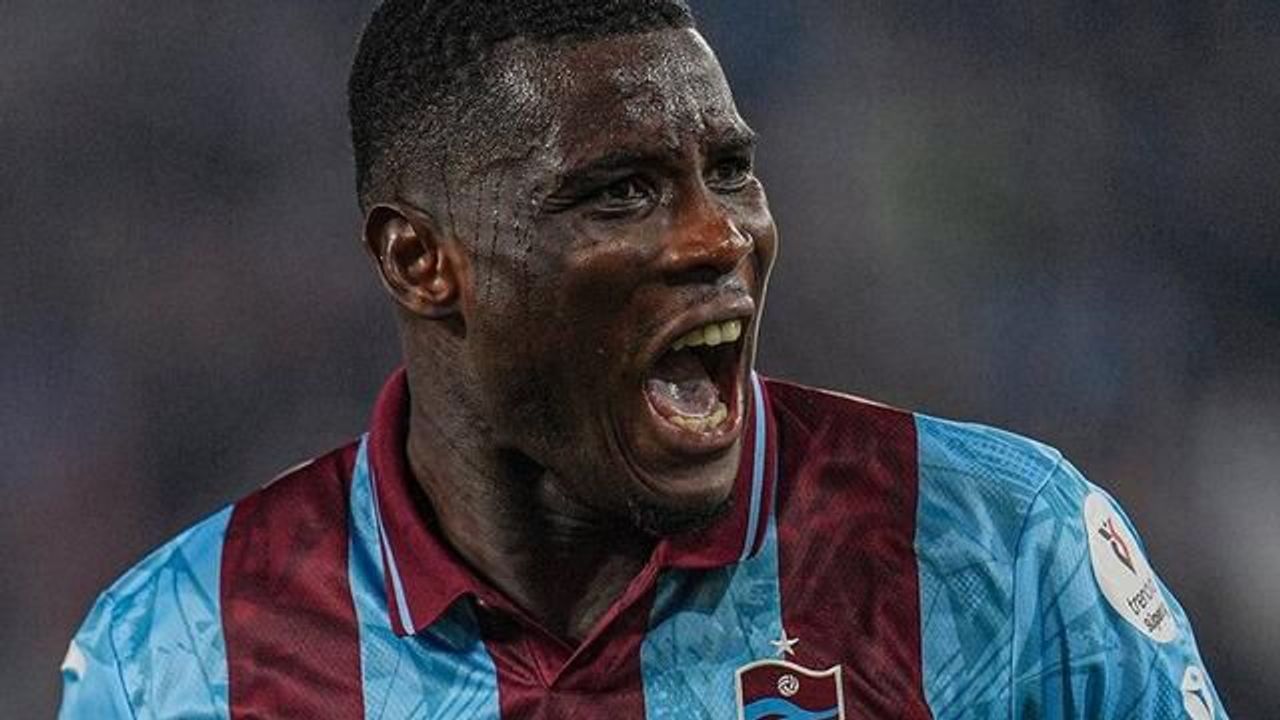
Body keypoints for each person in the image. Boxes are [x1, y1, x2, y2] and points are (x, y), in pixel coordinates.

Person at [58, 1, 1228, 718]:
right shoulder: (179, 653)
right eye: (618, 192)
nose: (719, 238)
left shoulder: (996, 555)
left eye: (728, 171)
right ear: (421, 261)